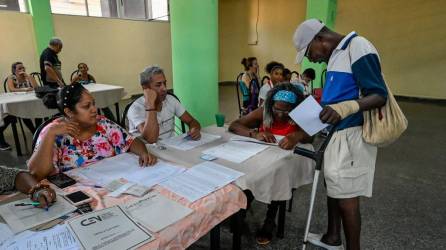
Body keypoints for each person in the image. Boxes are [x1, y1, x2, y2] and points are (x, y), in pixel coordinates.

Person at [293, 19, 387, 250]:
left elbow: (378, 95)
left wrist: (344, 109)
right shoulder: (335, 56)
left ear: (320, 39)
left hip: (351, 135)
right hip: (336, 134)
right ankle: (333, 237)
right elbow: (340, 96)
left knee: (347, 199)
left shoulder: (358, 46)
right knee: (334, 186)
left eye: (308, 52)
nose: (310, 59)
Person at [229, 83, 312, 245]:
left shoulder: (299, 115)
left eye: (286, 110)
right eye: (277, 109)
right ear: (270, 105)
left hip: (284, 164)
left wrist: (296, 136)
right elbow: (234, 125)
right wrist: (255, 133)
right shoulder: (264, 111)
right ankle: (242, 206)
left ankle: (270, 219)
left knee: (279, 176)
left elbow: (310, 135)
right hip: (261, 159)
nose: (280, 115)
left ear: (294, 108)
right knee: (252, 173)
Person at [28, 83, 157, 181]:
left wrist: (143, 153)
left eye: (93, 104)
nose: (94, 109)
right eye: (86, 106)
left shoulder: (102, 124)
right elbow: (37, 173)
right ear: (69, 112)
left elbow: (131, 141)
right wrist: (49, 134)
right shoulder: (54, 133)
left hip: (112, 182)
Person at [127, 66, 201, 143]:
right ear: (145, 88)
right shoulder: (135, 108)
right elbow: (150, 139)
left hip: (170, 148)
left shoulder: (170, 99)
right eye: (158, 85)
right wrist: (150, 105)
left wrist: (194, 129)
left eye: (164, 83)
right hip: (147, 151)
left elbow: (192, 121)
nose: (164, 88)